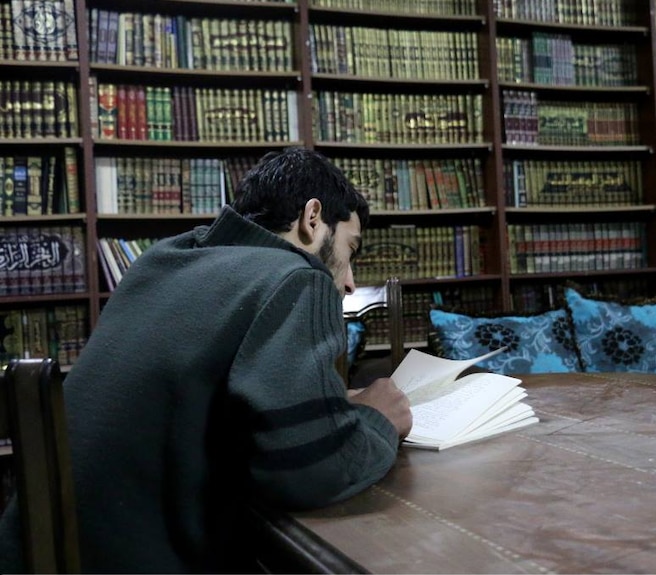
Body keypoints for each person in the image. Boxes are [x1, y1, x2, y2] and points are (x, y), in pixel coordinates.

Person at [0, 147, 413, 573]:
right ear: (312, 218)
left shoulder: (161, 259)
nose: (348, 281)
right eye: (350, 248)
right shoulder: (295, 278)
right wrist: (380, 418)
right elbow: (314, 472)